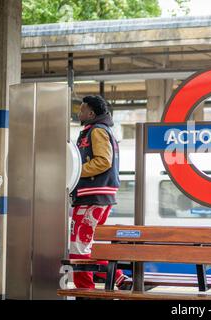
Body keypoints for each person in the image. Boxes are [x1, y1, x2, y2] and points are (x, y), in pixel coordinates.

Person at [69, 95, 130, 289]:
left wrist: (75, 170)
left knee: (77, 247)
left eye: (82, 109)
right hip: (98, 197)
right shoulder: (100, 130)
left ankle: (85, 291)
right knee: (87, 246)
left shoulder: (97, 131)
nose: (79, 112)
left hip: (92, 196)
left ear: (91, 113)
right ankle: (120, 279)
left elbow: (104, 161)